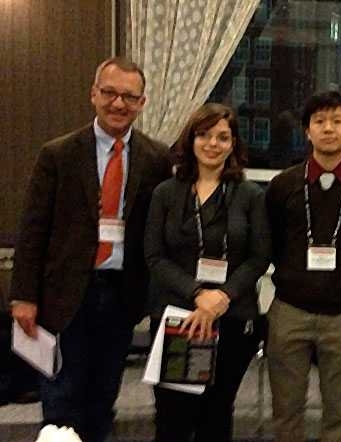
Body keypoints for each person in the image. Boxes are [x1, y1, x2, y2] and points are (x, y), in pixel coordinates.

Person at [9, 57, 171, 442]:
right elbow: (32, 230)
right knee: (60, 402)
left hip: (121, 296)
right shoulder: (58, 154)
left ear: (142, 102)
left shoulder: (157, 159)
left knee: (102, 399)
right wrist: (23, 296)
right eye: (110, 93)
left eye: (129, 96)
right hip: (62, 297)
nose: (118, 103)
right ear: (93, 94)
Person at [143, 102, 270, 441]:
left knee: (217, 414)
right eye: (204, 135)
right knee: (172, 416)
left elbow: (259, 257)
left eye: (222, 137)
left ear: (233, 144)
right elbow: (154, 256)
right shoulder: (165, 193)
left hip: (232, 317)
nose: (213, 144)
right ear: (191, 140)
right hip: (178, 317)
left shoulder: (250, 195)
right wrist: (199, 294)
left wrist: (223, 296)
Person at [265, 91, 341, 442]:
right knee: (286, 410)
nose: (329, 128)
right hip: (289, 311)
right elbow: (271, 244)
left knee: (340, 412)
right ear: (307, 131)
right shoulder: (283, 185)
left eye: (337, 121)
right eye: (320, 121)